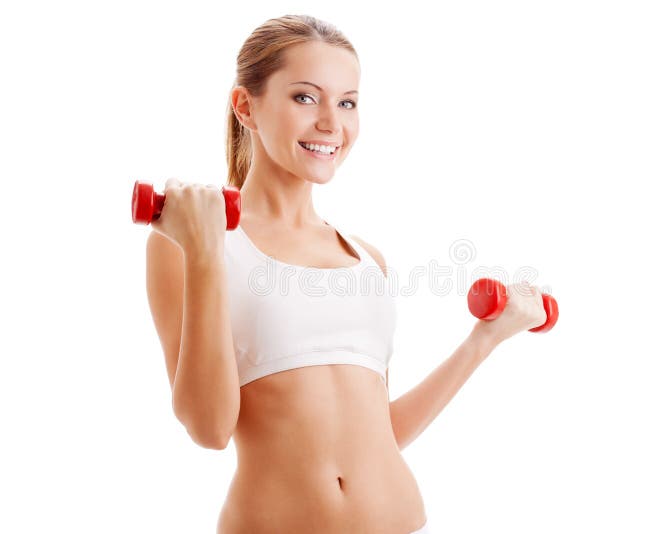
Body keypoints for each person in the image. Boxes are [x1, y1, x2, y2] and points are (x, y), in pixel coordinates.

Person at [144, 14, 548, 534]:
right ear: (245, 106)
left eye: (348, 102)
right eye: (306, 98)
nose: (332, 123)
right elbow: (209, 427)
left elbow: (380, 435)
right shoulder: (186, 243)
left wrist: (485, 338)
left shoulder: (366, 259)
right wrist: (203, 251)